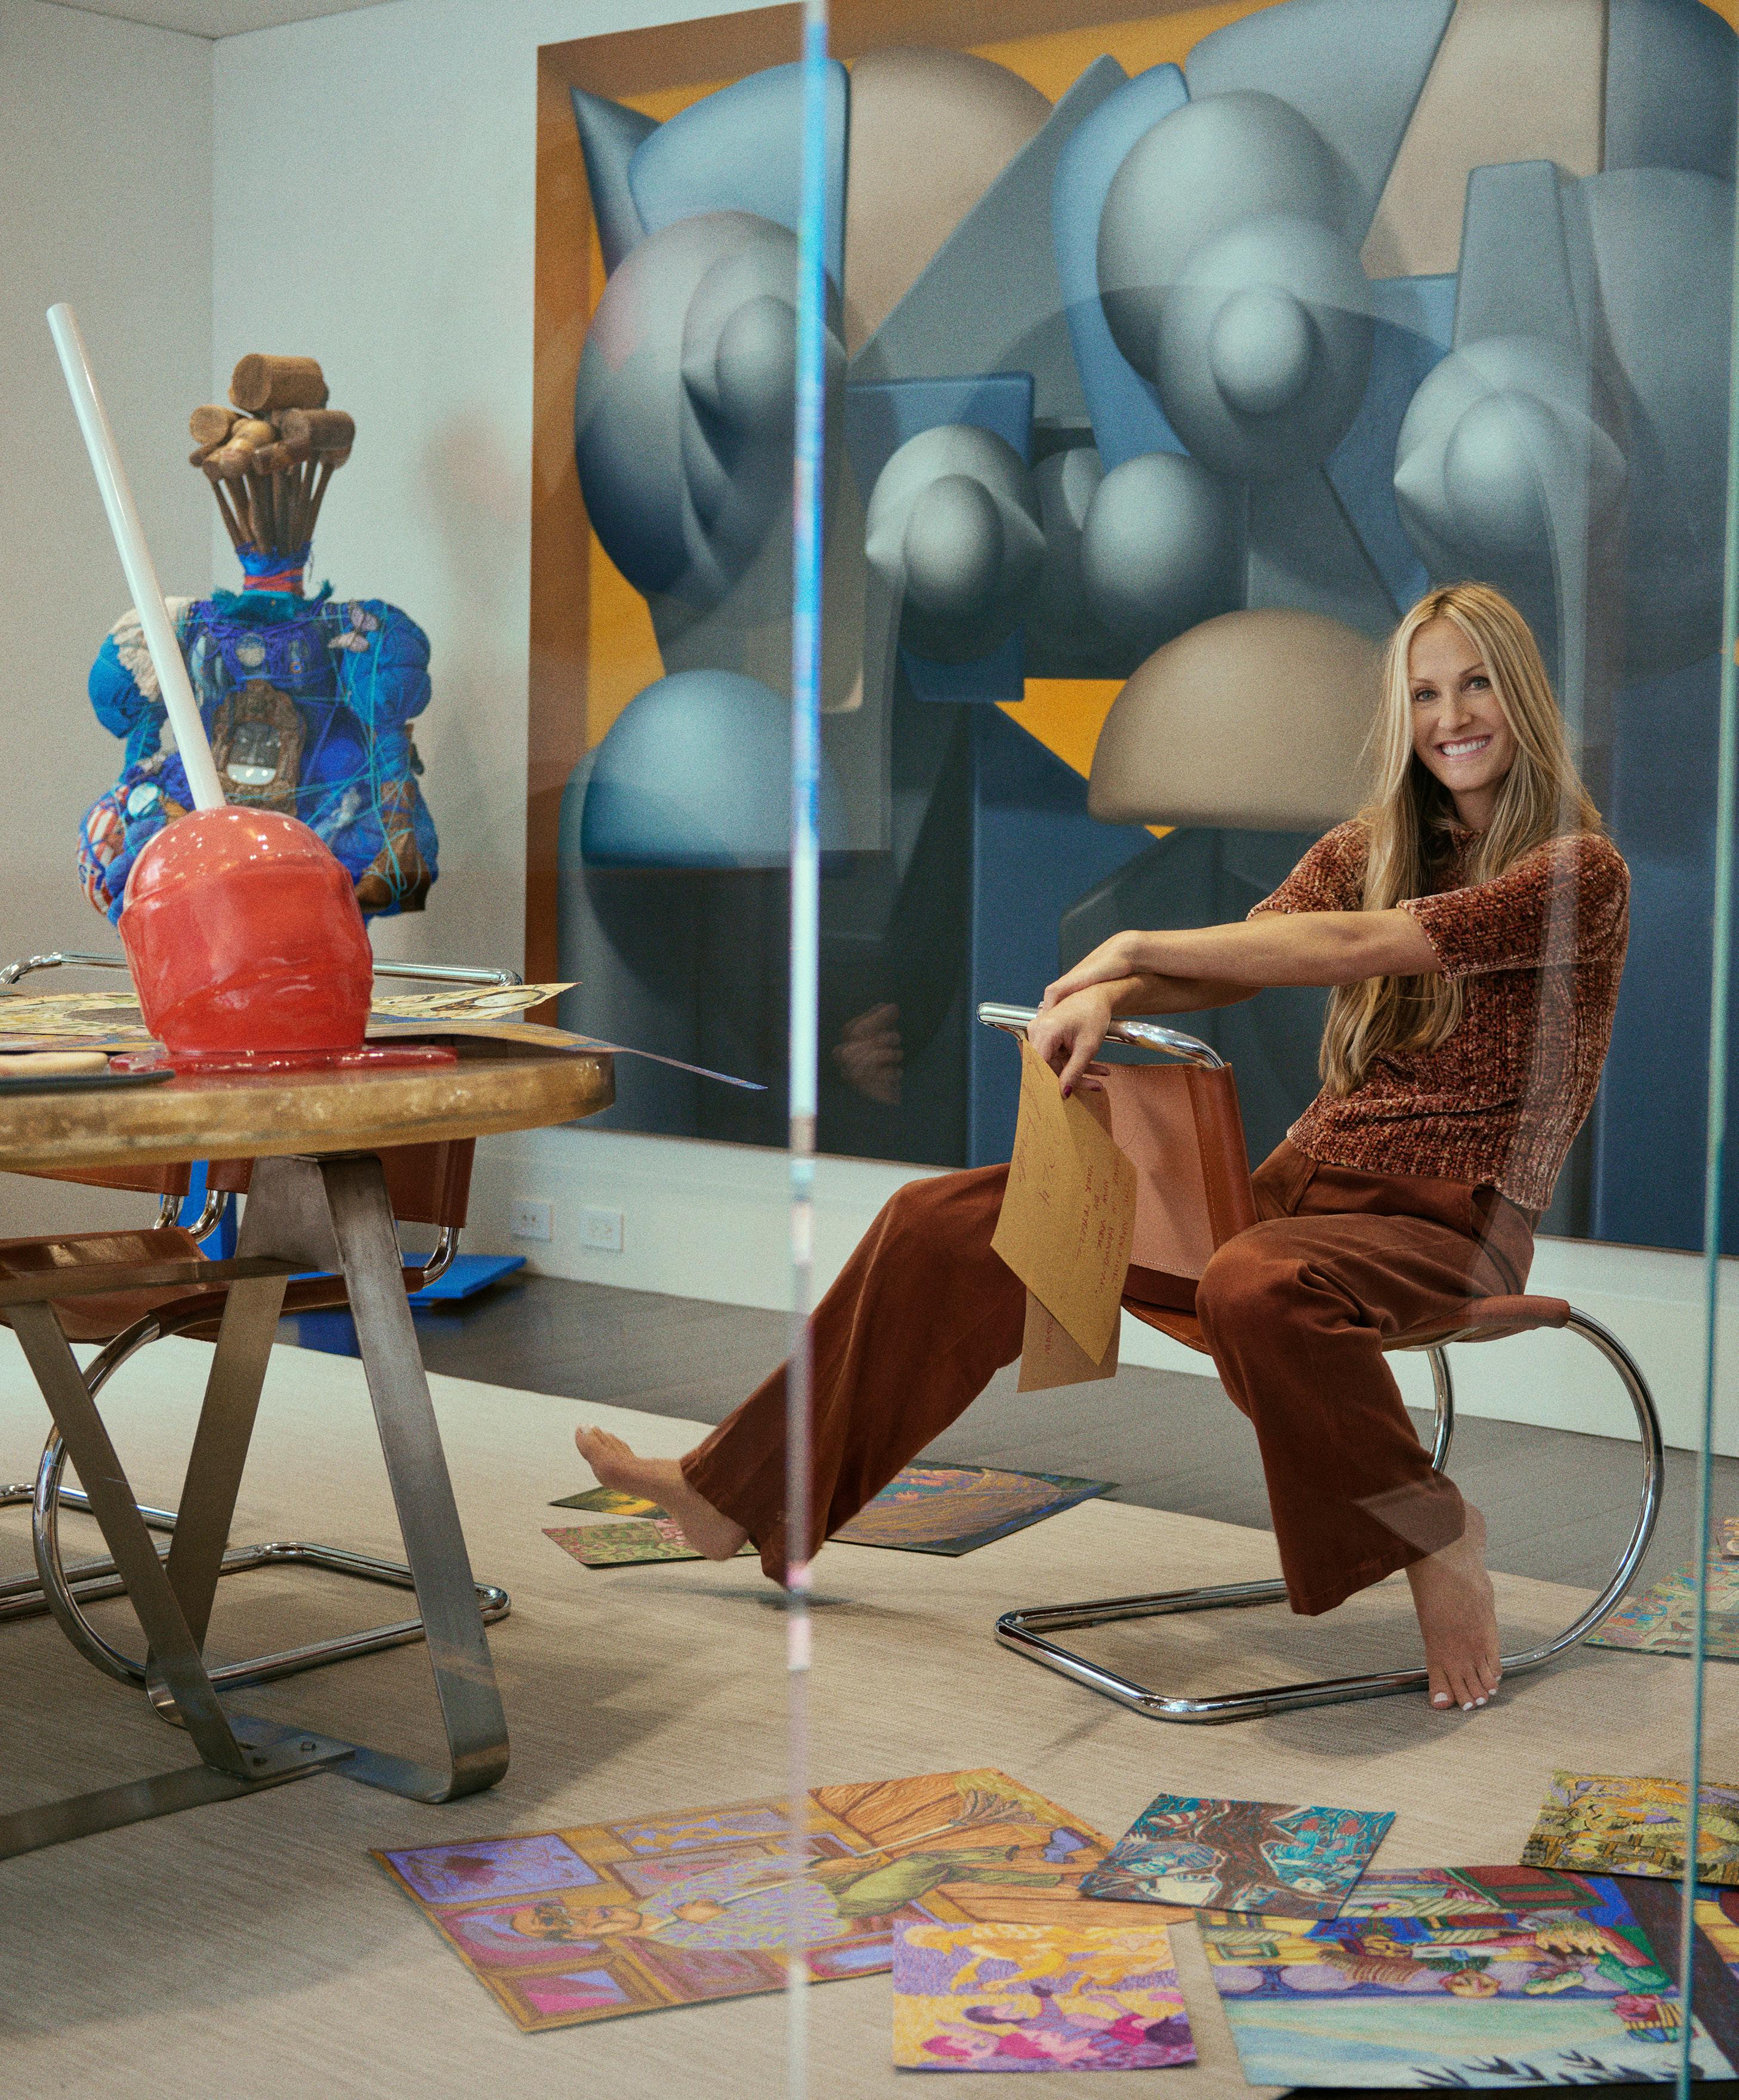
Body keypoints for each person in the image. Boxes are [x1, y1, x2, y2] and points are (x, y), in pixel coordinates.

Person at [576, 581, 1629, 1718]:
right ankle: (736, 1495)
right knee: (942, 1222)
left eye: (1475, 684)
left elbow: (1354, 946)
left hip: (1450, 1222)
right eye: (1423, 693)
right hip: (1297, 1191)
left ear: (1522, 696)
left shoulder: (1578, 873)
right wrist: (1110, 993)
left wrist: (1125, 946)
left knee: (1254, 1279)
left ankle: (1435, 1530)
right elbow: (1249, 952)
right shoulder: (1373, 846)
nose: (1450, 715)